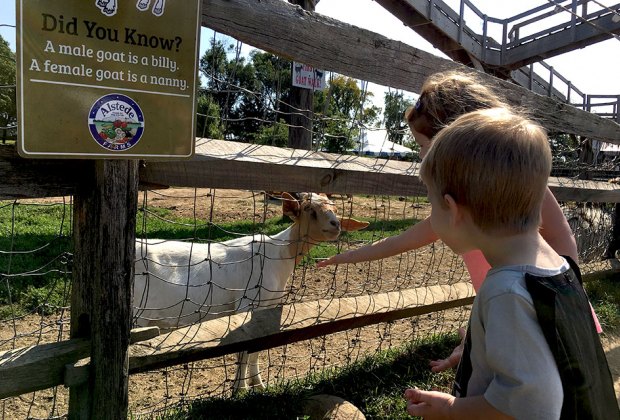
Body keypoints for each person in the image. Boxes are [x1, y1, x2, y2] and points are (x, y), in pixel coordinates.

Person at [317, 70, 601, 372]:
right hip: (510, 313)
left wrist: (563, 295)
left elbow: (561, 237)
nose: (423, 157)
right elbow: (406, 239)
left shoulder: (519, 183)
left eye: (424, 147)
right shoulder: (461, 207)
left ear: (453, 142)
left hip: (547, 313)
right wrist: (348, 256)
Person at [404, 108, 617, 419]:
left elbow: (530, 401)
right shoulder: (558, 267)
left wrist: (452, 409)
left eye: (431, 202)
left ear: (452, 210)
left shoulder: (506, 291)